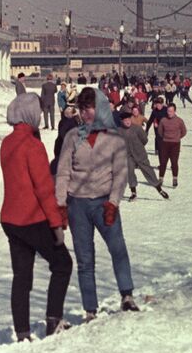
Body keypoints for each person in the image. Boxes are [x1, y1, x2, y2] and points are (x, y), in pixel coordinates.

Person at [56, 87, 139, 320]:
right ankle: (90, 308)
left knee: (118, 249)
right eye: (82, 109)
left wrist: (113, 203)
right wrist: (61, 204)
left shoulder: (114, 138)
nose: (85, 113)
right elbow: (63, 172)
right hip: (78, 206)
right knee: (84, 258)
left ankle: (127, 295)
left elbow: (120, 174)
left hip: (104, 203)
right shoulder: (73, 136)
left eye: (89, 107)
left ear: (100, 108)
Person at [0, 93, 73, 340]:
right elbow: (43, 189)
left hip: (10, 219)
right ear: (30, 114)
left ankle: (22, 333)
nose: (41, 115)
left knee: (22, 277)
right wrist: (57, 225)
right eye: (38, 112)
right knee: (63, 264)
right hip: (32, 218)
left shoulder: (7, 143)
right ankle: (54, 320)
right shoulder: (33, 145)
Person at [117, 111, 169, 201]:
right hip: (128, 155)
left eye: (129, 119)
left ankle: (159, 189)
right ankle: (133, 193)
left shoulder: (137, 128)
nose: (127, 121)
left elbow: (144, 139)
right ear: (122, 121)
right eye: (125, 120)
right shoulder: (119, 131)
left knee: (148, 171)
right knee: (129, 172)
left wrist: (138, 147)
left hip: (140, 154)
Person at [157, 103, 187, 187]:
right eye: (168, 111)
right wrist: (165, 137)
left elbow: (184, 131)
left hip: (175, 144)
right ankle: (161, 179)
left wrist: (177, 137)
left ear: (174, 111)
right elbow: (160, 131)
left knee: (174, 162)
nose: (169, 113)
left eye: (171, 111)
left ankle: (174, 179)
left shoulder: (179, 121)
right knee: (163, 162)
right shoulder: (163, 120)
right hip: (165, 143)